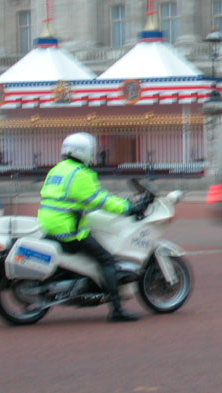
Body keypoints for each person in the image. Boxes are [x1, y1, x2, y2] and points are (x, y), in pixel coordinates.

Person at [37, 132, 143, 322]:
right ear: (85, 152)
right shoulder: (81, 174)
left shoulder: (57, 170)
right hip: (68, 229)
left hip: (49, 225)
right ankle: (117, 310)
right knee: (107, 259)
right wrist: (128, 207)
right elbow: (100, 200)